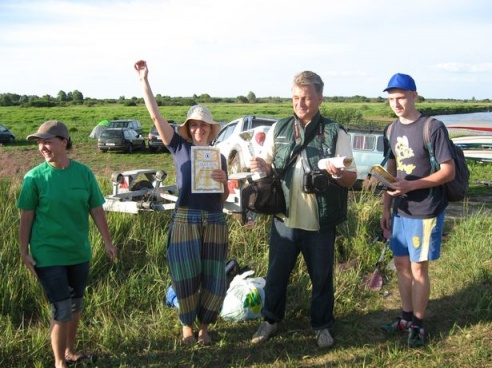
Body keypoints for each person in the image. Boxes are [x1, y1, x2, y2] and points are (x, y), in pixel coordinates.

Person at [249, 71, 357, 348]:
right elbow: (268, 164)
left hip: (320, 221)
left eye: (307, 98)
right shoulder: (280, 128)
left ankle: (322, 326)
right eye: (296, 97)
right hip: (284, 218)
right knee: (276, 274)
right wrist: (262, 168)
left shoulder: (335, 131)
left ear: (320, 98)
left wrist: (336, 175)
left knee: (321, 277)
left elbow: (351, 177)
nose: (301, 103)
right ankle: (270, 320)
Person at [134, 60, 229, 346]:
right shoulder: (179, 147)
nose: (199, 129)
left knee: (213, 276)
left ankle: (204, 328)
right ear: (189, 129)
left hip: (214, 219)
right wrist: (144, 81)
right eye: (194, 124)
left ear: (211, 130)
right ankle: (186, 325)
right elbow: (155, 117)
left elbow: (222, 198)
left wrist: (224, 181)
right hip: (185, 218)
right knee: (185, 274)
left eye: (203, 125)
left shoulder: (219, 156)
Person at [17, 120, 118, 368]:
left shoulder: (83, 173)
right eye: (40, 142)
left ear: (64, 142)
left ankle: (70, 351)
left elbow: (96, 209)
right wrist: (23, 251)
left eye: (48, 141)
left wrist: (107, 241)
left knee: (75, 305)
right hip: (47, 254)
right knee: (61, 308)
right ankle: (59, 362)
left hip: (78, 252)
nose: (43, 146)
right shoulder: (34, 178)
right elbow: (26, 217)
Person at [379, 73, 455, 347]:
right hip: (400, 209)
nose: (396, 103)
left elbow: (448, 171)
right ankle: (405, 317)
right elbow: (391, 168)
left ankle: (419, 326)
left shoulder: (432, 127)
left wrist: (412, 187)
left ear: (414, 95)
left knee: (418, 267)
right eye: (391, 99)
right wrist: (386, 206)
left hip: (425, 209)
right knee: (401, 265)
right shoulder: (390, 130)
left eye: (400, 97)